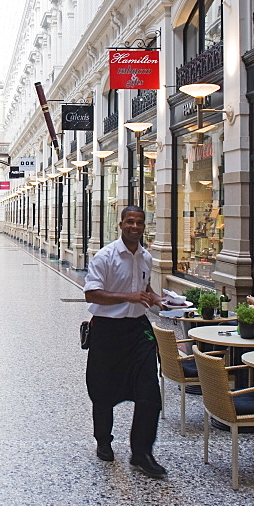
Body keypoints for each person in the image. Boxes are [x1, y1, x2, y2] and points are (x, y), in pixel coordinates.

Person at [83, 205, 168, 479]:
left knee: (149, 393)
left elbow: (143, 288)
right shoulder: (105, 257)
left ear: (144, 226)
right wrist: (128, 297)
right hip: (107, 331)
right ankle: (104, 441)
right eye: (130, 222)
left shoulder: (145, 257)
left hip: (137, 331)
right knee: (103, 389)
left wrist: (154, 298)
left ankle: (142, 452)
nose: (134, 226)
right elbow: (91, 294)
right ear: (120, 225)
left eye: (139, 223)